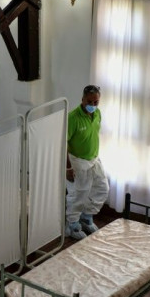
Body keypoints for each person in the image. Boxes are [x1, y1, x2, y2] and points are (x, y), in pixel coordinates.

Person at [65, 84, 110, 240]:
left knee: (102, 188)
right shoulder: (72, 118)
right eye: (89, 102)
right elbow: (63, 143)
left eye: (96, 102)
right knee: (79, 194)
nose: (92, 106)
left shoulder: (97, 114)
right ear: (82, 99)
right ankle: (73, 225)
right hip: (77, 160)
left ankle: (86, 217)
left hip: (93, 159)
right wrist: (68, 168)